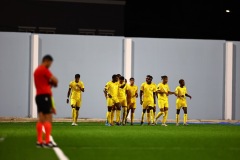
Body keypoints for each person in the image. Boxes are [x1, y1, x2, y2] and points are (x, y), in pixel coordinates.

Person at [34, 54, 58, 148]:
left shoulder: (36, 71)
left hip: (39, 96)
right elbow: (55, 80)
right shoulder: (44, 70)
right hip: (45, 96)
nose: (50, 65)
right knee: (48, 118)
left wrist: (50, 83)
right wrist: (53, 82)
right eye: (50, 63)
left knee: (41, 118)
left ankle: (40, 141)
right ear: (47, 61)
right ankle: (47, 141)